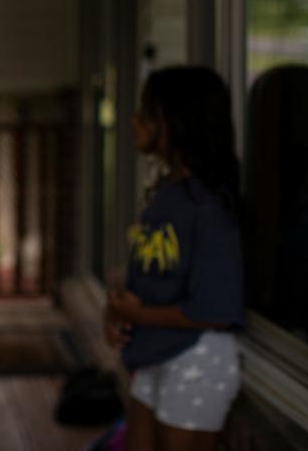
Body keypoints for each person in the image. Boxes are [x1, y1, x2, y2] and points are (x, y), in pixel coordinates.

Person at [102, 66, 245, 451]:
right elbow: (152, 276)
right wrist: (115, 309)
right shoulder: (169, 193)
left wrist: (137, 314)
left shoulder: (208, 206)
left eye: (146, 111)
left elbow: (217, 308)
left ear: (174, 121)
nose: (134, 120)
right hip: (155, 351)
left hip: (196, 360)